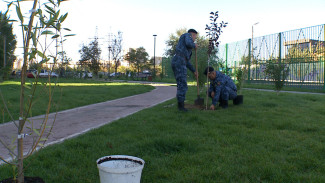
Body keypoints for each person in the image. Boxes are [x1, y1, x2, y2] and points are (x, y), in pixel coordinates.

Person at [171, 29, 198, 112]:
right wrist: (194, 45)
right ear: (192, 34)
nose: (194, 39)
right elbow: (189, 43)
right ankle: (181, 107)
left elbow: (187, 61)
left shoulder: (185, 50)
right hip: (179, 61)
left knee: (181, 84)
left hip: (179, 60)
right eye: (195, 37)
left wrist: (194, 70)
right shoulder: (187, 35)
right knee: (182, 84)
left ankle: (180, 105)